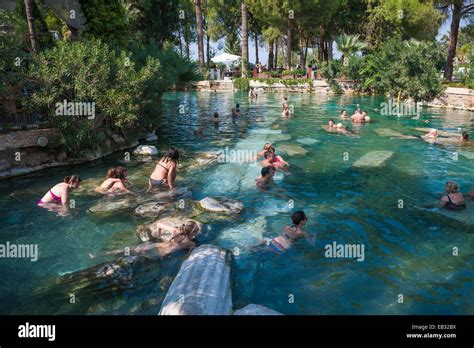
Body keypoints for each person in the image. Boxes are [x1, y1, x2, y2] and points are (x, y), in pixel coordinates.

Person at [91, 221, 200, 259]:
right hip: (160, 254)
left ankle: (98, 255)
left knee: (128, 250)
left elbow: (159, 224)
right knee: (135, 257)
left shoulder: (176, 231)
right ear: (193, 232)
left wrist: (158, 237)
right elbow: (187, 258)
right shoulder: (191, 244)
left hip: (155, 245)